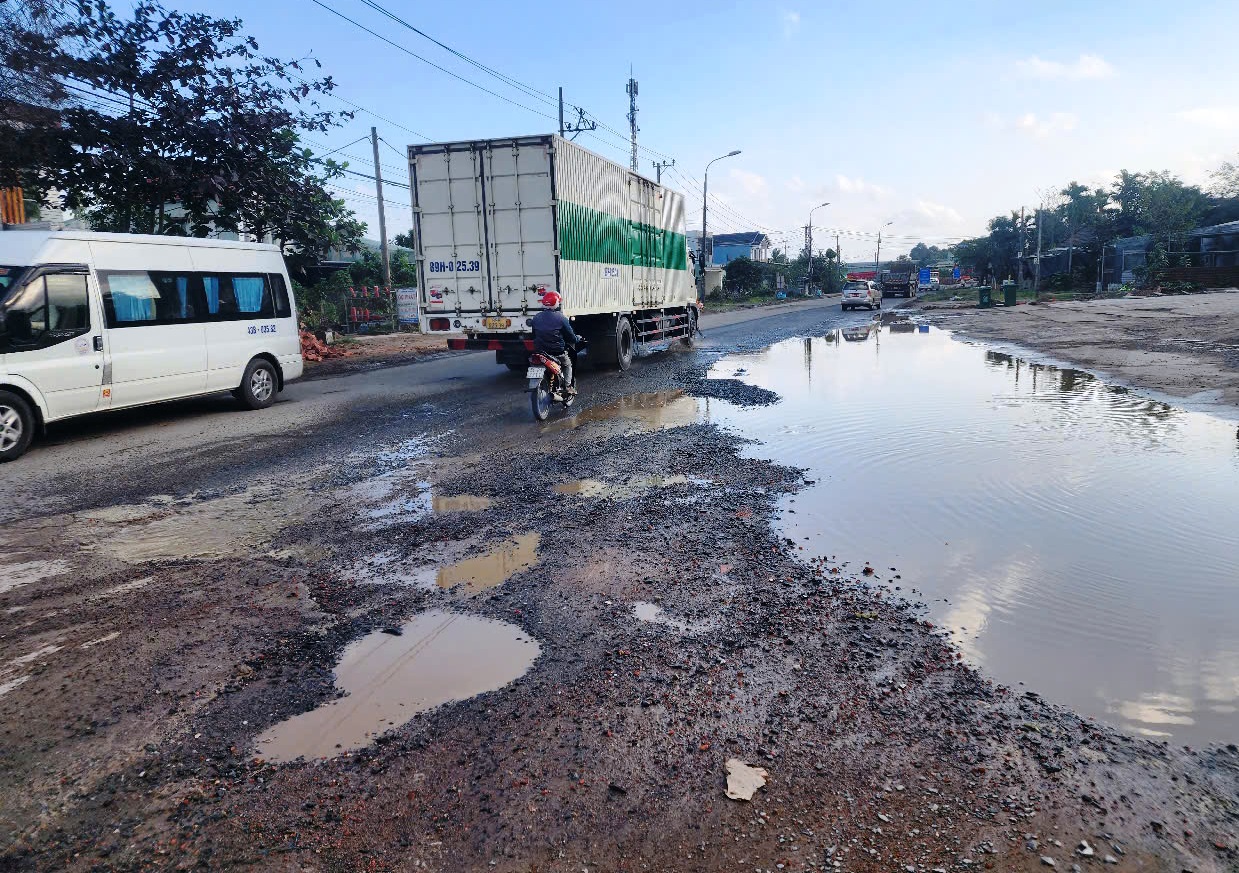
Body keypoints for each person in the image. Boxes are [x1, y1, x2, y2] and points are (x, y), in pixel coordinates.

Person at [530, 291, 579, 396]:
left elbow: (534, 335)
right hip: (557, 352)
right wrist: (577, 339)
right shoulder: (561, 318)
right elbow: (571, 337)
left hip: (540, 352)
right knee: (567, 365)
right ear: (556, 303)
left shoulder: (536, 317)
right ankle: (568, 387)